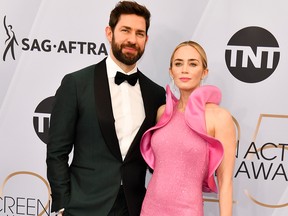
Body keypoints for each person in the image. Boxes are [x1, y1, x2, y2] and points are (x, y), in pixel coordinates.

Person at [46, 1, 166, 216]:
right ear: (109, 33)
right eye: (125, 30)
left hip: (134, 206)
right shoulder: (76, 83)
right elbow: (57, 151)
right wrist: (63, 204)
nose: (132, 39)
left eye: (140, 33)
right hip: (84, 206)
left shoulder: (156, 94)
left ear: (146, 40)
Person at [140, 41, 236, 216]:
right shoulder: (163, 112)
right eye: (178, 63)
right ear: (171, 71)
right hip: (150, 208)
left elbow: (225, 181)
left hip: (187, 211)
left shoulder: (219, 117)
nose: (184, 69)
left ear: (204, 72)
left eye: (193, 63)